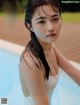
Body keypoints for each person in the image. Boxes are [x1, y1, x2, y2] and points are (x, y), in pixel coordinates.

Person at [19, 0, 80, 105]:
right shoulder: (31, 63)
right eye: (42, 21)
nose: (51, 28)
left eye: (55, 19)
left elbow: (73, 72)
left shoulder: (50, 47)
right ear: (30, 26)